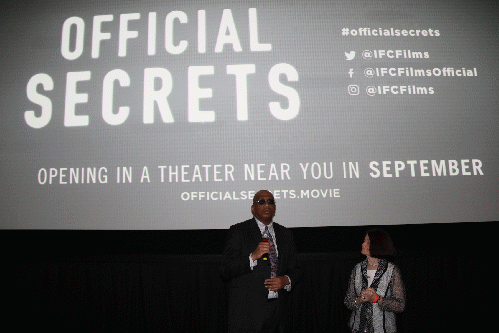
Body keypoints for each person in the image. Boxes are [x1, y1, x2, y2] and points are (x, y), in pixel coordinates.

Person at [223, 190, 300, 333]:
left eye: (271, 201)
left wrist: (286, 280)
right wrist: (252, 256)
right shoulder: (238, 231)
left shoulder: (285, 234)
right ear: (253, 208)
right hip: (247, 314)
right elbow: (226, 269)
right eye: (261, 202)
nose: (267, 205)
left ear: (275, 207)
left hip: (278, 312)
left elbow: (295, 268)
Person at [344, 228, 406, 333]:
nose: (363, 244)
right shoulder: (357, 269)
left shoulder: (391, 271)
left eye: (367, 242)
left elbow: (400, 306)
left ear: (377, 245)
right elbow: (348, 301)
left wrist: (377, 298)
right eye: (364, 241)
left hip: (383, 329)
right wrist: (360, 300)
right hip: (358, 329)